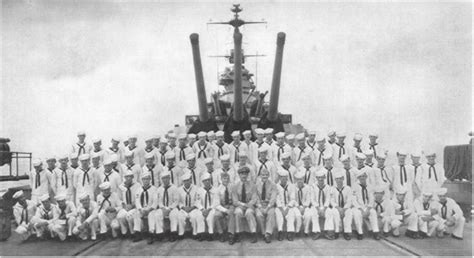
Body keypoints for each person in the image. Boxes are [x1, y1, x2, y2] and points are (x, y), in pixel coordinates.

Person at [232, 166, 258, 243]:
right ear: (239, 175)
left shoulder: (252, 185)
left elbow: (254, 198)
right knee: (237, 212)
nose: (244, 176)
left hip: (249, 205)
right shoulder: (235, 186)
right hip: (240, 205)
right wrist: (243, 205)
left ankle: (253, 233)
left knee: (249, 213)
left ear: (248, 175)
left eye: (245, 174)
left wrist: (249, 205)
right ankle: (238, 233)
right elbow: (235, 200)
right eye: (242, 174)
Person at [311, 170, 339, 240]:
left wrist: (324, 208)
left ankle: (328, 231)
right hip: (316, 206)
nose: (320, 179)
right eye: (319, 177)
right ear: (316, 178)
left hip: (325, 207)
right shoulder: (313, 187)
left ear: (324, 178)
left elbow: (328, 199)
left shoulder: (328, 187)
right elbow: (312, 199)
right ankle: (316, 232)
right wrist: (318, 208)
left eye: (322, 177)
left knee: (329, 212)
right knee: (314, 213)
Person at [177, 172, 205, 240]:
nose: (186, 182)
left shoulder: (196, 188)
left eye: (188, 180)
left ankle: (195, 233)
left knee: (194, 217)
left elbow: (198, 200)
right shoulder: (179, 189)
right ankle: (181, 233)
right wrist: (183, 207)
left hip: (193, 208)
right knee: (180, 217)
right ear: (183, 182)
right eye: (185, 181)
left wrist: (192, 207)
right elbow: (178, 201)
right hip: (184, 208)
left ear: (190, 180)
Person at [329, 170, 356, 240]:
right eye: (337, 179)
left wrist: (344, 208)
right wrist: (338, 208)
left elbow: (349, 200)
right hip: (337, 207)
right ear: (335, 180)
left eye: (340, 178)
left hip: (345, 207)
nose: (339, 180)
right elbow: (332, 200)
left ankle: (347, 232)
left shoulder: (348, 188)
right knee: (335, 213)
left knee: (349, 213)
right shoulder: (332, 189)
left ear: (343, 179)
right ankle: (337, 231)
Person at [133, 172, 159, 243]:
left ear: (150, 179)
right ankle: (137, 233)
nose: (145, 181)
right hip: (142, 209)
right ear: (142, 180)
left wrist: (149, 210)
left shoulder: (154, 189)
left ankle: (151, 234)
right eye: (144, 179)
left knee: (151, 215)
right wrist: (140, 209)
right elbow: (137, 201)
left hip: (151, 209)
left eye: (147, 179)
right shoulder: (138, 189)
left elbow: (155, 201)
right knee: (136, 214)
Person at [155, 170, 180, 242]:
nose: (165, 180)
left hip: (172, 207)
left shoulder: (174, 188)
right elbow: (159, 200)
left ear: (169, 178)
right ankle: (160, 233)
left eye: (166, 178)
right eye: (163, 178)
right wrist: (163, 207)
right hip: (163, 207)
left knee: (173, 215)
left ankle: (173, 233)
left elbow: (176, 201)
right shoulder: (159, 189)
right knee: (157, 214)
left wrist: (170, 208)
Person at [352, 170, 378, 240]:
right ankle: (360, 232)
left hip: (367, 207)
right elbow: (354, 201)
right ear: (358, 178)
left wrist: (368, 209)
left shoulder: (370, 186)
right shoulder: (355, 186)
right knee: (357, 214)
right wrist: (361, 209)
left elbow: (372, 199)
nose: (362, 178)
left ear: (366, 177)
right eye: (360, 177)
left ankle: (375, 231)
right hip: (358, 207)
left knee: (373, 212)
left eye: (363, 176)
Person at [254, 168, 277, 243]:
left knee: (271, 214)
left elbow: (273, 198)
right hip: (260, 205)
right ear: (260, 176)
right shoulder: (256, 185)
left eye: (266, 175)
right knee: (258, 215)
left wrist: (268, 207)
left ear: (269, 175)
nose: (265, 176)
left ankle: (268, 234)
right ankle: (263, 233)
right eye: (263, 175)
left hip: (269, 205)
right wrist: (260, 207)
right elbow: (256, 197)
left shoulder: (273, 185)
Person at [117, 170, 141, 240]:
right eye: (127, 177)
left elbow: (139, 197)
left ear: (133, 177)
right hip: (125, 207)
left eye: (130, 176)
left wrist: (133, 205)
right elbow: (119, 199)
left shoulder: (137, 185)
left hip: (134, 206)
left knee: (129, 216)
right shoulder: (121, 186)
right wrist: (124, 206)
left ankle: (133, 233)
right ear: (124, 177)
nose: (128, 178)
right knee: (120, 216)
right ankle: (124, 232)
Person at [275, 169, 297, 241]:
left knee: (291, 214)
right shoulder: (276, 186)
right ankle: (280, 232)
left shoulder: (291, 186)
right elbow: (276, 198)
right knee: (279, 214)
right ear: (279, 178)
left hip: (288, 206)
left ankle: (290, 232)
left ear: (287, 178)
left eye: (285, 177)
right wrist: (281, 209)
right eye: (281, 177)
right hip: (280, 206)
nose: (283, 179)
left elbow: (293, 198)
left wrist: (288, 208)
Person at [195, 173, 218, 241]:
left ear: (210, 180)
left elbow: (216, 202)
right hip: (203, 208)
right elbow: (197, 201)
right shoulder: (199, 190)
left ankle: (210, 234)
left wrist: (209, 209)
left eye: (208, 180)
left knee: (210, 218)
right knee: (199, 216)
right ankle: (202, 234)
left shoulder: (215, 189)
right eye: (205, 180)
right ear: (203, 182)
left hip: (211, 208)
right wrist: (202, 209)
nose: (207, 182)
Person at [214, 172, 235, 244]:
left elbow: (234, 199)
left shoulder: (232, 187)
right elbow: (216, 205)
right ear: (221, 179)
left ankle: (231, 235)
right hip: (221, 207)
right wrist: (225, 210)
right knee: (216, 215)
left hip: (230, 205)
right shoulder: (218, 189)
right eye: (224, 178)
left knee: (231, 213)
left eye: (227, 178)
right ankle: (221, 234)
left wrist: (230, 208)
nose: (226, 180)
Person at [293, 171, 314, 238]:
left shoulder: (307, 187)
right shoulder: (293, 187)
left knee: (308, 215)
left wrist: (304, 207)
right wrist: (298, 207)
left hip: (305, 206)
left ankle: (306, 231)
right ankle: (297, 231)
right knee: (298, 216)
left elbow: (308, 198)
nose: (300, 181)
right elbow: (292, 198)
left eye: (301, 179)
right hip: (296, 206)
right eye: (298, 179)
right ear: (296, 180)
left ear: (303, 179)